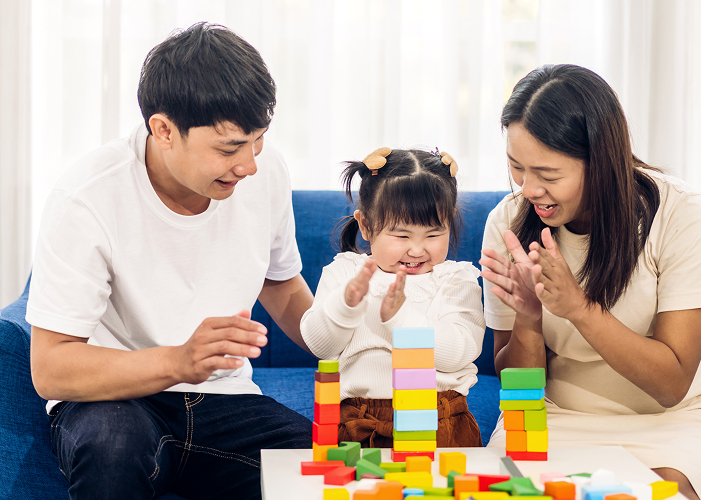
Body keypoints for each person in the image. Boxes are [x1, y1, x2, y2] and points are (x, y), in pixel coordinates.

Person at [27, 23, 314, 500]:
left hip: (225, 400)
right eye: (229, 148)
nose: (249, 165)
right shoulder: (88, 197)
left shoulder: (265, 176)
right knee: (112, 451)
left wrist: (352, 341)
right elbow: (51, 367)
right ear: (162, 130)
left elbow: (280, 285)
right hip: (113, 401)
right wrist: (180, 361)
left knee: (325, 472)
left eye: (258, 140)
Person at [480, 64, 701, 500]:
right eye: (516, 168)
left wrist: (578, 309)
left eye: (548, 175)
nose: (528, 189)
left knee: (652, 493)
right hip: (557, 417)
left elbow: (671, 384)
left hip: (681, 420)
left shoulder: (680, 214)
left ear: (600, 160)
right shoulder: (508, 223)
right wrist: (528, 319)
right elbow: (519, 389)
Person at [300, 147, 485, 448]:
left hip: (441, 420)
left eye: (433, 235)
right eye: (401, 236)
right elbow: (320, 346)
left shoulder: (456, 279)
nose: (416, 249)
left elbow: (459, 354)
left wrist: (401, 318)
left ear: (450, 223)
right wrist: (346, 306)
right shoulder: (345, 272)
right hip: (357, 422)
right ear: (366, 226)